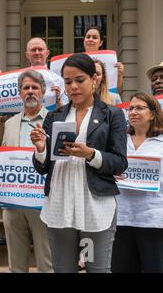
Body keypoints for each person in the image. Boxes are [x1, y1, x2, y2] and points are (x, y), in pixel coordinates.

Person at [30, 53, 128, 273]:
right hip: (59, 205)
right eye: (67, 82)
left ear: (95, 79)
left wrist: (91, 154)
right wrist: (40, 149)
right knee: (64, 269)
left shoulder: (112, 115)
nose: (73, 86)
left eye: (79, 80)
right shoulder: (54, 117)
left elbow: (120, 162)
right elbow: (43, 167)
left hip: (94, 209)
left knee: (96, 268)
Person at [0, 70, 53, 273]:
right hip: (13, 203)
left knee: (47, 263)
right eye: (26, 88)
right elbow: (4, 156)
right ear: (19, 93)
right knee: (16, 265)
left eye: (34, 87)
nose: (30, 91)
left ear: (43, 91)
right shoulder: (10, 123)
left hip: (43, 202)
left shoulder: (54, 121)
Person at [112, 92, 163, 273]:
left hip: (153, 220)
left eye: (139, 108)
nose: (133, 112)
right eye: (130, 108)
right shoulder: (118, 142)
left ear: (152, 113)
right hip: (121, 218)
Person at [83, 26, 125, 94]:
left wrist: (120, 74)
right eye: (88, 37)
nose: (90, 39)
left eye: (94, 37)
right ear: (84, 40)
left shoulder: (109, 59)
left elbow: (115, 87)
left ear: (101, 42)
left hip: (103, 97)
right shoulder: (77, 59)